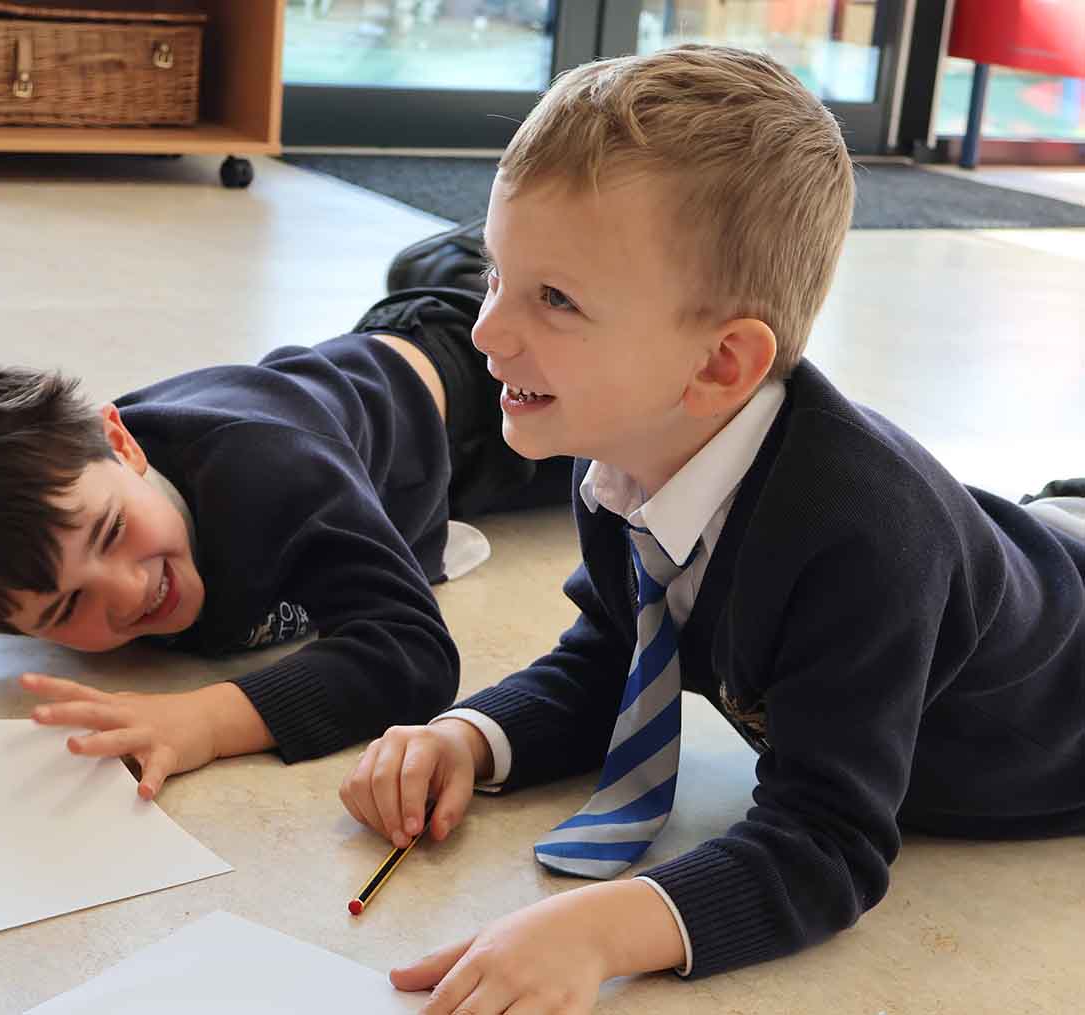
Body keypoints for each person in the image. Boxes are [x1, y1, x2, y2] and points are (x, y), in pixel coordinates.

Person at [338, 45, 1085, 1011]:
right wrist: (470, 738)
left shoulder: (862, 544)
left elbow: (827, 841)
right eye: (496, 276)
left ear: (722, 364)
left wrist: (602, 928)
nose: (485, 330)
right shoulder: (625, 453)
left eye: (554, 299)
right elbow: (617, 656)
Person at [0, 288, 570, 800]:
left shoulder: (271, 478)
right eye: (66, 607)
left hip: (479, 400)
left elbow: (412, 652)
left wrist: (205, 719)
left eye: (111, 531)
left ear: (121, 443)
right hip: (340, 384)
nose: (129, 590)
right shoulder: (56, 525)